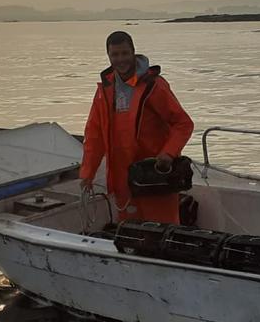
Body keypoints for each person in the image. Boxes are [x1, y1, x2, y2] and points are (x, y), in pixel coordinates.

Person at [79, 31, 194, 224]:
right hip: (122, 179)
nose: (120, 59)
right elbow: (94, 136)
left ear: (133, 52)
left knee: (162, 232)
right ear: (108, 56)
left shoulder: (154, 86)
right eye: (115, 55)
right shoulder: (104, 92)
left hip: (155, 175)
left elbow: (183, 124)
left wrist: (168, 153)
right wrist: (87, 174)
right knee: (131, 233)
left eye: (124, 53)